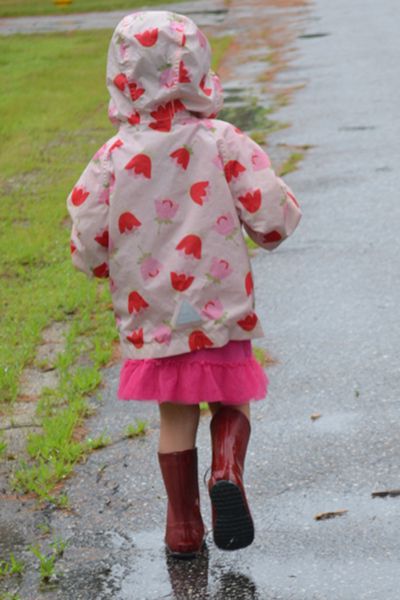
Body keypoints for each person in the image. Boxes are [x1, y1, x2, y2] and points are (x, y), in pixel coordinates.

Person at [66, 10, 301, 559]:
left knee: (174, 418)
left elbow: (86, 229)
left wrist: (99, 264)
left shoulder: (113, 157)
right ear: (197, 68)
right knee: (232, 400)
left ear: (121, 78)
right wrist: (276, 226)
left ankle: (182, 530)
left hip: (154, 314)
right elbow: (267, 208)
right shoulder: (221, 140)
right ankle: (226, 469)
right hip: (217, 307)